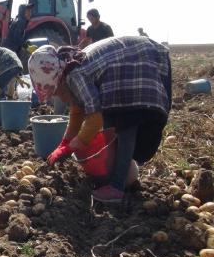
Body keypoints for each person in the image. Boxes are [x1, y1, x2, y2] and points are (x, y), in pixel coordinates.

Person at [28, 36, 171, 203]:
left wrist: (73, 145)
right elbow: (77, 111)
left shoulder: (75, 75)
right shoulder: (68, 70)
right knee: (115, 122)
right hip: (127, 66)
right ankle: (120, 174)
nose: (58, 97)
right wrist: (64, 144)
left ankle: (117, 187)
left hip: (138, 63)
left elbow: (95, 120)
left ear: (58, 81)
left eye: (56, 92)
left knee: (126, 123)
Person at [2, 3, 33, 70]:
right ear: (22, 12)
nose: (30, 13)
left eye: (30, 11)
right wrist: (27, 47)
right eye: (27, 11)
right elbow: (16, 37)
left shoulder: (19, 19)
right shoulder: (21, 21)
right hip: (10, 49)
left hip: (8, 48)